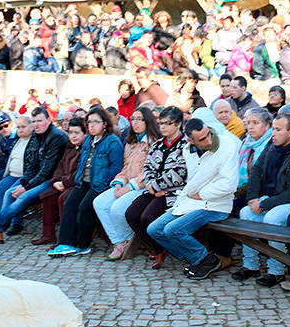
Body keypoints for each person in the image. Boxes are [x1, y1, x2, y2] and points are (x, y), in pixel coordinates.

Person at [235, 113, 290, 287]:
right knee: (245, 212)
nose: (273, 133)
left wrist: (263, 204)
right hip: (277, 197)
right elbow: (256, 172)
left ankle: (276, 271)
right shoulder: (272, 146)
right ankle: (251, 266)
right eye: (273, 129)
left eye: (278, 129)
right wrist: (253, 198)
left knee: (273, 218)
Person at [147, 117, 241, 280]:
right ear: (190, 140)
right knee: (154, 229)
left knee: (173, 230)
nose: (208, 140)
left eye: (208, 135)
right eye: (202, 139)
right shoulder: (187, 150)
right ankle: (196, 259)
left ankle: (207, 261)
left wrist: (203, 194)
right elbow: (193, 181)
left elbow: (230, 184)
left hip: (215, 204)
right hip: (191, 201)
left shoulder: (226, 145)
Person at [0, 107, 67, 242]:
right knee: (9, 192)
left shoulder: (57, 137)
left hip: (54, 179)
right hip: (37, 177)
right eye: (34, 121)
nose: (36, 124)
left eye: (40, 121)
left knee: (23, 196)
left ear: (49, 120)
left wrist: (25, 187)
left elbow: (47, 171)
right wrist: (24, 183)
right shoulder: (36, 135)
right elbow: (31, 165)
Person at [46, 108, 125, 256]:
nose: (92, 125)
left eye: (96, 122)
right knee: (69, 204)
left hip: (100, 184)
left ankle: (83, 245)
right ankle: (66, 243)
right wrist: (78, 179)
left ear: (105, 123)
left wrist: (102, 181)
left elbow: (116, 168)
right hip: (84, 181)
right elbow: (83, 162)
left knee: (85, 208)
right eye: (89, 122)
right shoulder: (88, 139)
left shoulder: (112, 141)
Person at [94, 107, 161, 260]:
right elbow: (125, 168)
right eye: (133, 119)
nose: (135, 123)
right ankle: (118, 241)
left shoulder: (154, 143)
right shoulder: (131, 142)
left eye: (139, 119)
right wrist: (118, 183)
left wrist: (130, 187)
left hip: (143, 186)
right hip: (127, 183)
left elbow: (149, 172)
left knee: (116, 208)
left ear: (148, 121)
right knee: (99, 203)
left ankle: (126, 238)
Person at [125, 106, 188, 269]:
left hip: (174, 193)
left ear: (179, 124)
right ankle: (158, 247)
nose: (163, 127)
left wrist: (158, 186)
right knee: (131, 214)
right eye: (161, 123)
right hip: (154, 190)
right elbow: (148, 167)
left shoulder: (186, 145)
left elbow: (181, 172)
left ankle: (160, 248)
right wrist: (153, 186)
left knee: (147, 217)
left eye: (168, 123)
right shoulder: (158, 144)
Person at [32, 118, 86, 247]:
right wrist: (56, 181)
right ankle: (48, 234)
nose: (73, 136)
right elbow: (60, 166)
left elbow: (81, 171)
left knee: (64, 198)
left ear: (85, 134)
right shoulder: (68, 147)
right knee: (48, 196)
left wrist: (65, 182)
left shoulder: (86, 149)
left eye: (77, 133)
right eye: (70, 132)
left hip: (76, 185)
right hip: (62, 183)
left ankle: (65, 238)